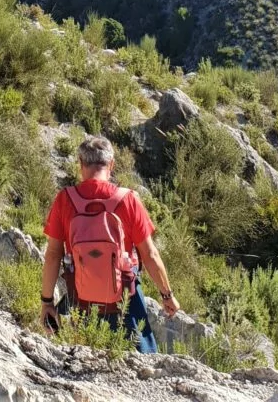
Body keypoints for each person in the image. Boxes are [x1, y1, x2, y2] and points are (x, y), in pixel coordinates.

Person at [40, 134, 179, 352]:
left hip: (81, 302)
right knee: (144, 365)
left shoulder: (65, 199)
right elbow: (150, 255)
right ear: (111, 164)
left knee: (82, 357)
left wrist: (47, 302)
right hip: (125, 301)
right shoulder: (128, 199)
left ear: (81, 165)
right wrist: (167, 295)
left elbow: (53, 255)